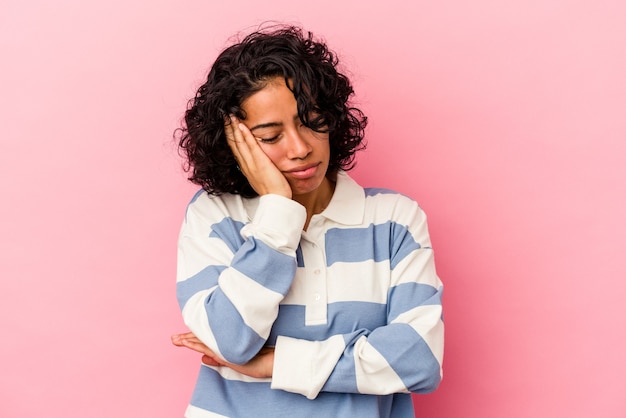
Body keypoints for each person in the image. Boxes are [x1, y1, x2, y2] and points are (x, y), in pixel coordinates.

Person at [171, 25, 444, 418]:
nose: (300, 148)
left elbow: (419, 359)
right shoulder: (216, 215)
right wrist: (278, 212)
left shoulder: (394, 220)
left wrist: (278, 363)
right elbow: (231, 341)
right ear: (234, 142)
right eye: (270, 135)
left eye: (312, 120)